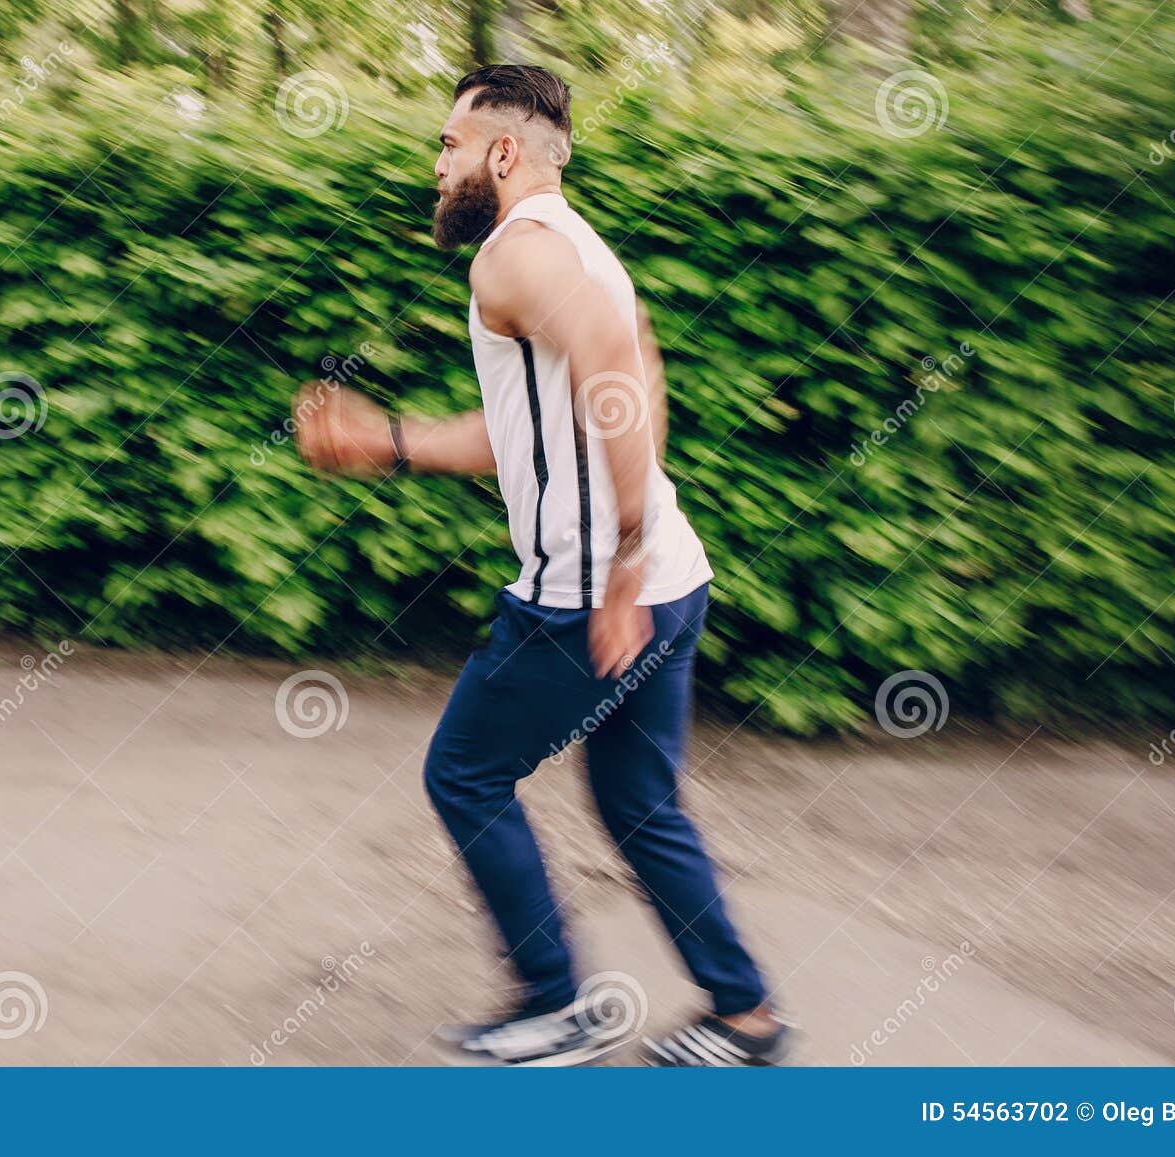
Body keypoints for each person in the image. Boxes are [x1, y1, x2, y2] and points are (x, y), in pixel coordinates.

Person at [294, 63, 790, 1067]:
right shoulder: (576, 247)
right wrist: (384, 439)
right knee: (638, 803)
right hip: (668, 579)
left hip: (586, 591)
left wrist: (614, 566)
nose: (436, 166)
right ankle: (744, 1013)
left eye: (448, 144)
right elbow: (576, 401)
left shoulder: (511, 256)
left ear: (502, 152)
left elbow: (612, 367)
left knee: (464, 773)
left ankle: (555, 1001)